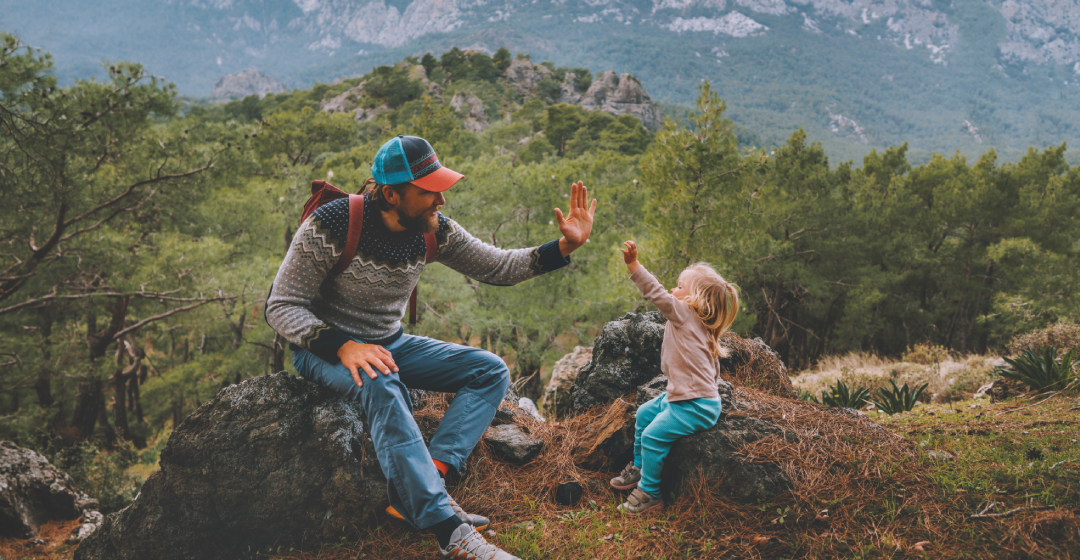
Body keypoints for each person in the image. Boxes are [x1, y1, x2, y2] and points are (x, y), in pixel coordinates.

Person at [266, 135, 597, 559]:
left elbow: (497, 265)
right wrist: (342, 346)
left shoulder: (433, 231)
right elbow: (280, 305)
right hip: (323, 350)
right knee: (379, 380)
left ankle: (429, 482)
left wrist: (564, 247)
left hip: (389, 342)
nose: (440, 199)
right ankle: (449, 532)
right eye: (428, 191)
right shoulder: (332, 225)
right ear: (391, 193)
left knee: (490, 370)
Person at [609, 240, 739, 514]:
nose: (673, 289)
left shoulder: (683, 314)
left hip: (695, 405)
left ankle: (650, 494)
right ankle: (639, 466)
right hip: (683, 398)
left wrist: (634, 265)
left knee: (654, 436)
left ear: (696, 298)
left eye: (680, 286)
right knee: (644, 413)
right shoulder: (700, 325)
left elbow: (656, 293)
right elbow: (710, 369)